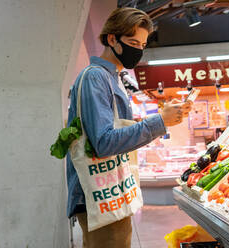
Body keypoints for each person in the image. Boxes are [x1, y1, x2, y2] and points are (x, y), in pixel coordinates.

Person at [66, 7, 192, 248]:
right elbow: (103, 142)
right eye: (133, 42)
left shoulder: (114, 77)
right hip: (98, 195)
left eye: (143, 45)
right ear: (112, 38)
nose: (138, 50)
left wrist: (158, 119)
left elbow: (110, 129)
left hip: (110, 192)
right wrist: (159, 121)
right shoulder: (96, 77)